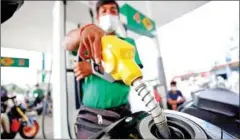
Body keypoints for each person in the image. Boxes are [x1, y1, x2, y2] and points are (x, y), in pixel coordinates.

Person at [64, 0, 143, 138]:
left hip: (121, 114)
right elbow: (67, 43)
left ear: (118, 16)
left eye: (113, 10)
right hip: (90, 117)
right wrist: (84, 30)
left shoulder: (128, 43)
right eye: (104, 11)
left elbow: (134, 77)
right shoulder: (88, 40)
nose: (109, 14)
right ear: (97, 17)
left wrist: (93, 69)